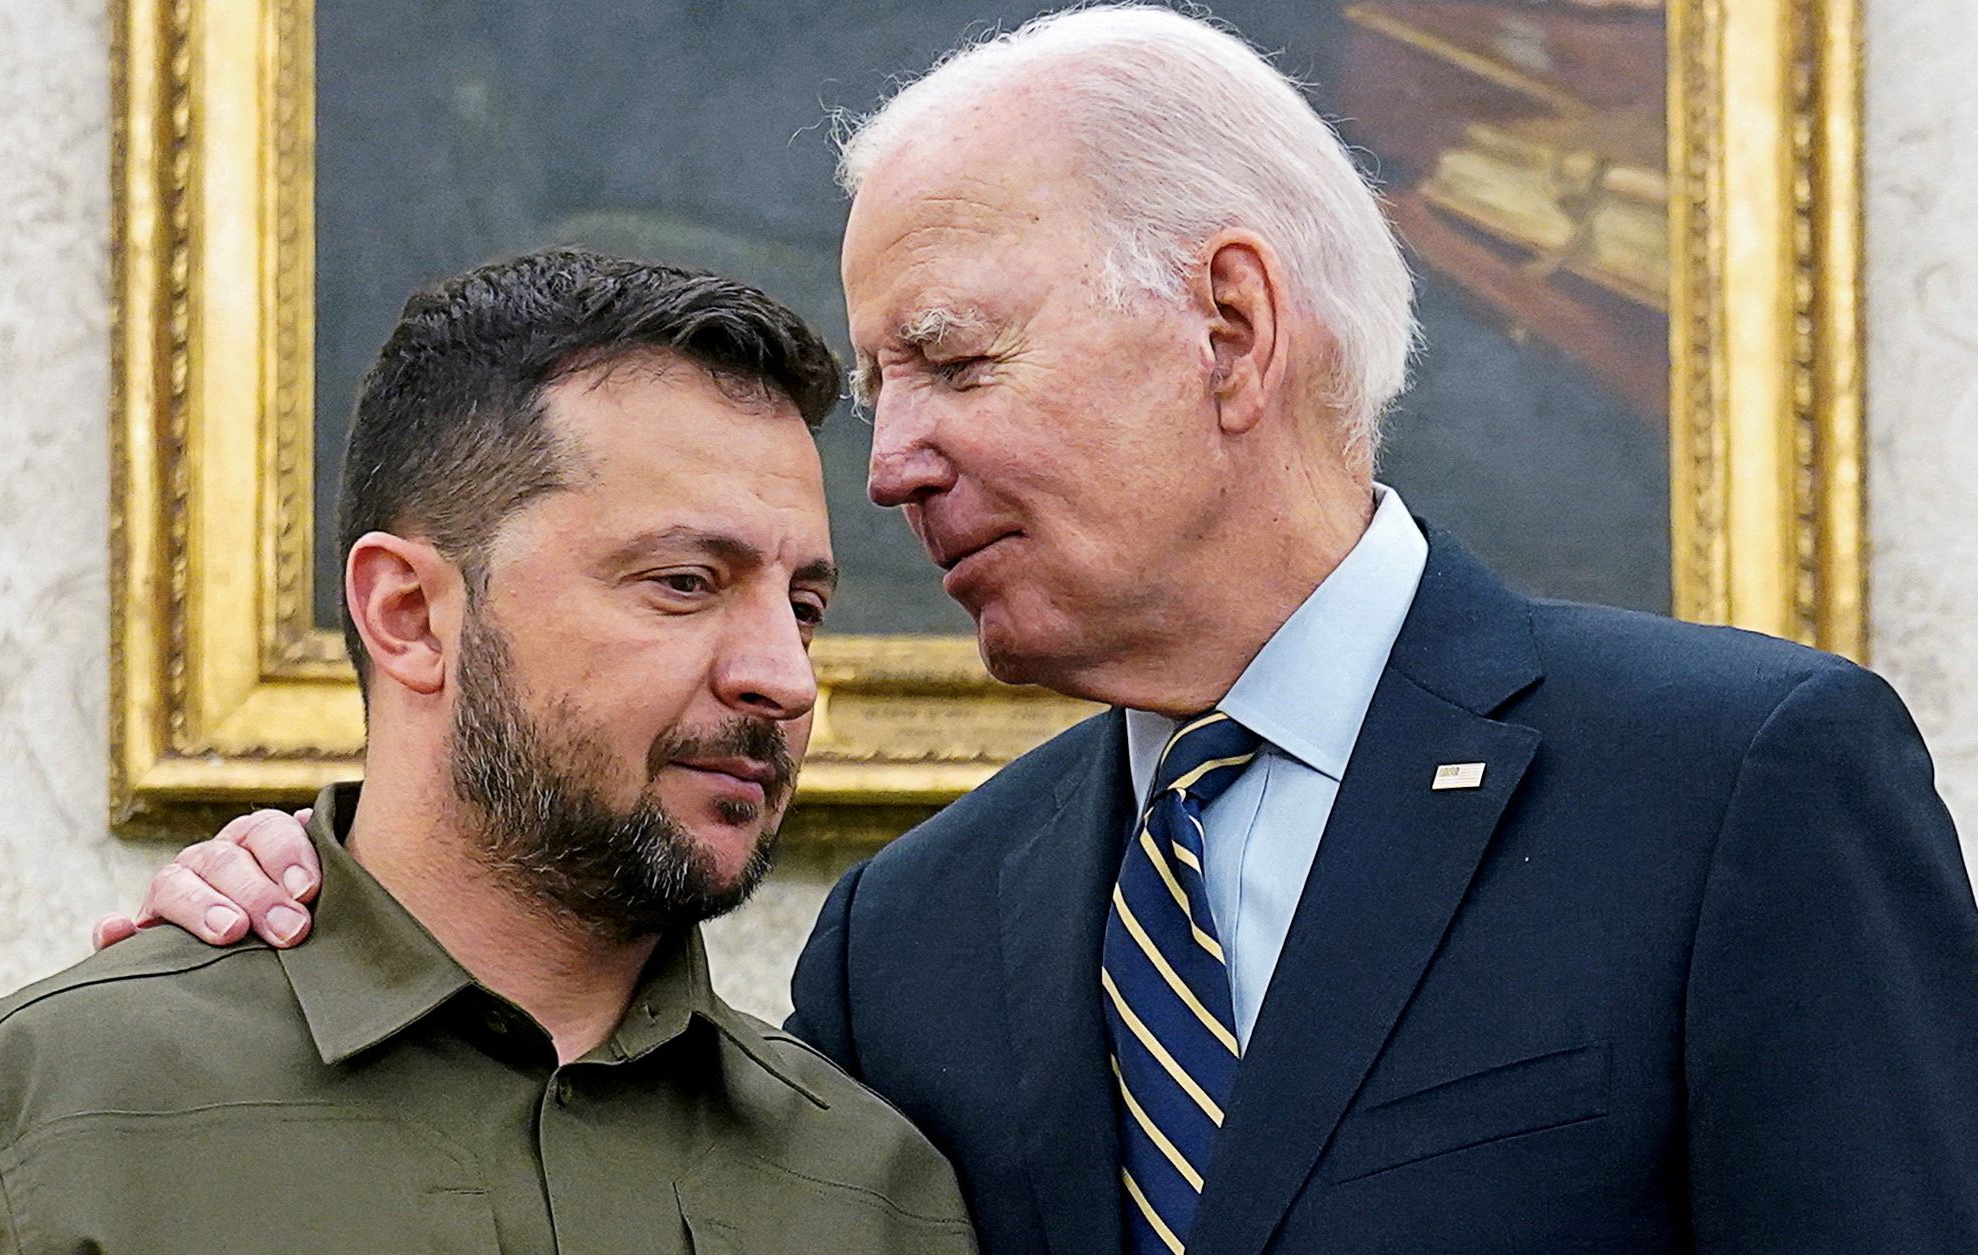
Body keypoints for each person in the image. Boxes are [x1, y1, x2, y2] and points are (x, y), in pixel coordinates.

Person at [102, 8, 1978, 1254]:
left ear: (1230, 326)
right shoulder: (909, 938)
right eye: (878, 391)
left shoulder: (1737, 787)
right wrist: (311, 904)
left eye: (951, 360)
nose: (892, 463)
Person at [0, 250, 976, 1255]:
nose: (783, 675)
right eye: (684, 583)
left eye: (807, 606)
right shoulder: (24, 1124)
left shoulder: (873, 1192)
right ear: (410, 614)